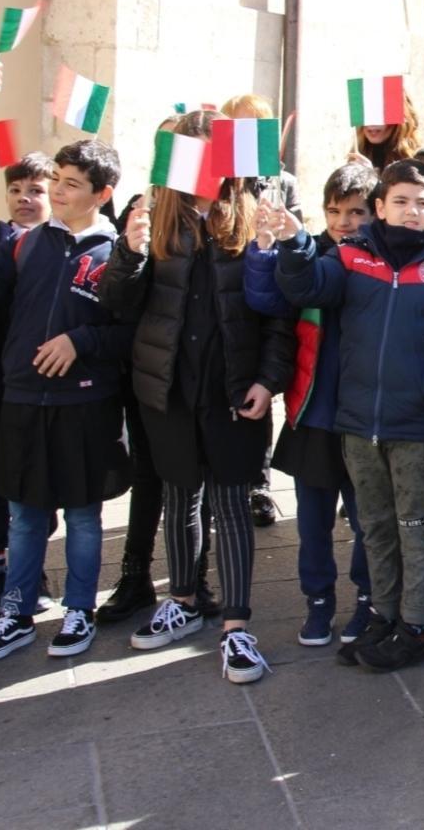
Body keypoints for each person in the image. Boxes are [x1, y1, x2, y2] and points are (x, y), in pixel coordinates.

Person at [272, 158, 424, 670]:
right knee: (373, 527)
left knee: (416, 528)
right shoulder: (351, 258)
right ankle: (383, 616)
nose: (412, 211)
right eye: (400, 201)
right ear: (380, 207)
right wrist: (293, 243)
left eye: (422, 203)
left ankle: (415, 627)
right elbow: (305, 287)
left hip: (416, 426)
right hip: (357, 425)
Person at [100, 112, 295, 684]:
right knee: (179, 496)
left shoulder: (253, 216)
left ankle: (237, 626)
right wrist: (129, 254)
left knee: (232, 502)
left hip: (233, 390)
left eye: (214, 154)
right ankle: (183, 599)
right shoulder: (152, 215)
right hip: (168, 388)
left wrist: (266, 380)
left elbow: (277, 316)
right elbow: (118, 304)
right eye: (190, 153)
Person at [0, 140, 132, 662]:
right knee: (24, 513)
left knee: (84, 514)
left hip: (84, 401)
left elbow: (128, 333)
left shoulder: (118, 252)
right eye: (56, 180)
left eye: (70, 184)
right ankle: (16, 613)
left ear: (101, 194)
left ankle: (79, 610)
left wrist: (79, 341)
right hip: (22, 396)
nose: (58, 192)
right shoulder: (25, 244)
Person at [243, 163, 378, 648]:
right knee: (313, 523)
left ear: (376, 212)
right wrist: (264, 247)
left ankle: (368, 601)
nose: (344, 222)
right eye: (334, 211)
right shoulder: (308, 254)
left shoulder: (381, 261)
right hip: (313, 417)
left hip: (365, 419)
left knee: (368, 523)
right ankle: (318, 602)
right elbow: (275, 313)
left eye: (357, 212)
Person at [0, 151, 57, 616]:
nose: (25, 199)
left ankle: (33, 566)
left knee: (39, 475)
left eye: (37, 191)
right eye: (17, 190)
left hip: (48, 380)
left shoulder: (64, 242)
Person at [221, 93, 303, 529]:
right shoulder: (216, 179)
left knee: (260, 392)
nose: (243, 136)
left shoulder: (280, 182)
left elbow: (298, 234)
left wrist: (279, 227)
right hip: (226, 295)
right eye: (234, 126)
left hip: (265, 296)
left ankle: (259, 483)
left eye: (254, 127)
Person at [351, 93, 422, 169]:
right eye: (366, 114)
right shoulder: (356, 157)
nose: (372, 124)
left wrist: (371, 177)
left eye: (380, 115)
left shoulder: (418, 159)